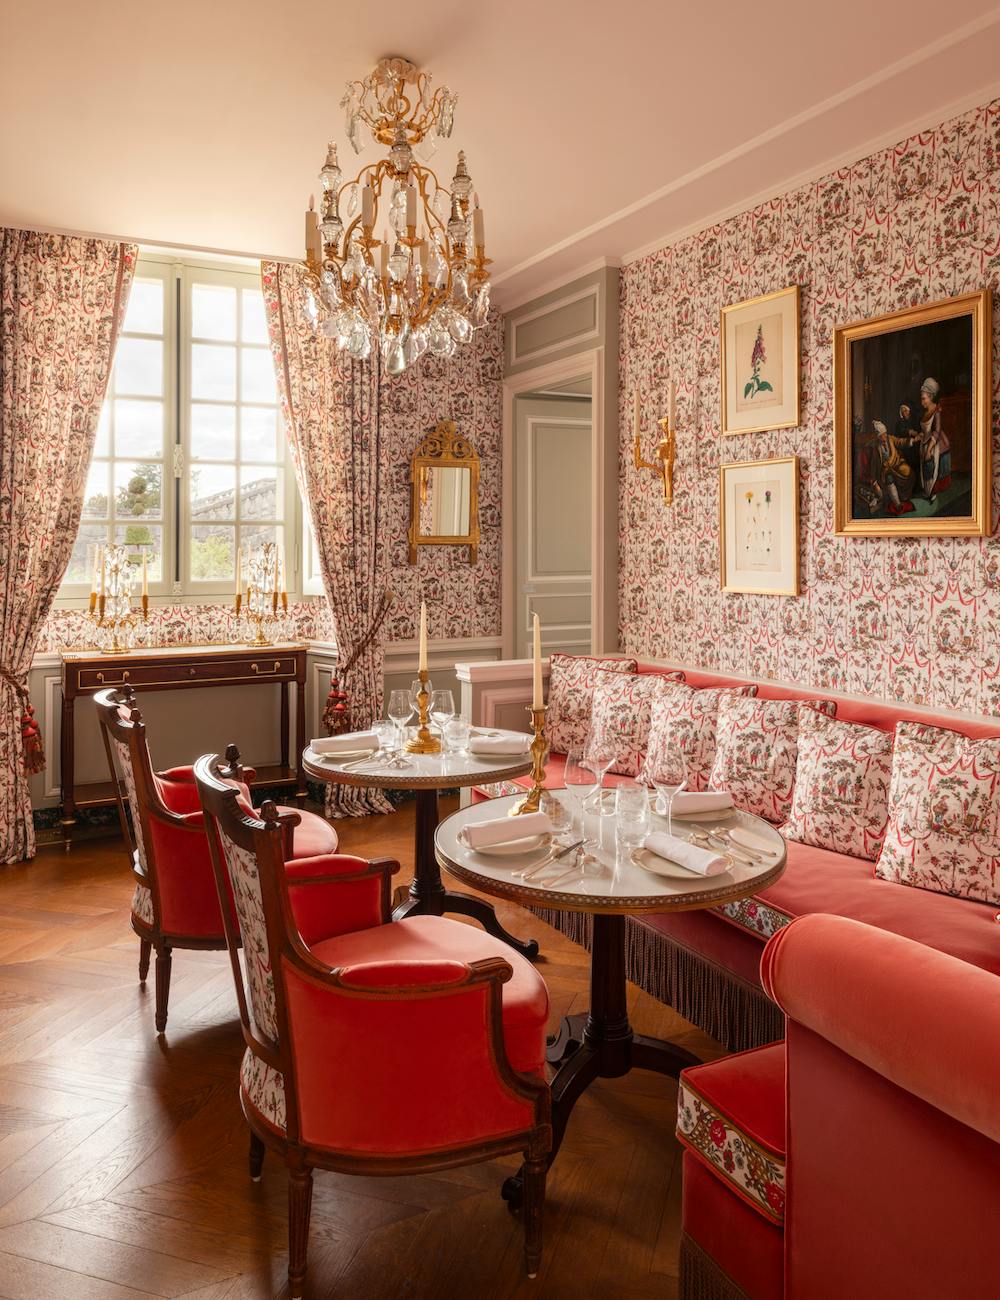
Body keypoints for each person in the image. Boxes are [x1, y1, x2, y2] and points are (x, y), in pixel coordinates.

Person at [918, 377, 950, 501]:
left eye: (924, 399)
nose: (922, 402)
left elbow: (936, 431)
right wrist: (920, 435)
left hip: (935, 443)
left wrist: (928, 449)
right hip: (925, 443)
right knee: (926, 469)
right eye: (921, 399)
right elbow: (925, 430)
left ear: (931, 397)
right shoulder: (925, 412)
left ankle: (932, 491)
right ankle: (927, 491)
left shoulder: (936, 411)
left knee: (932, 466)